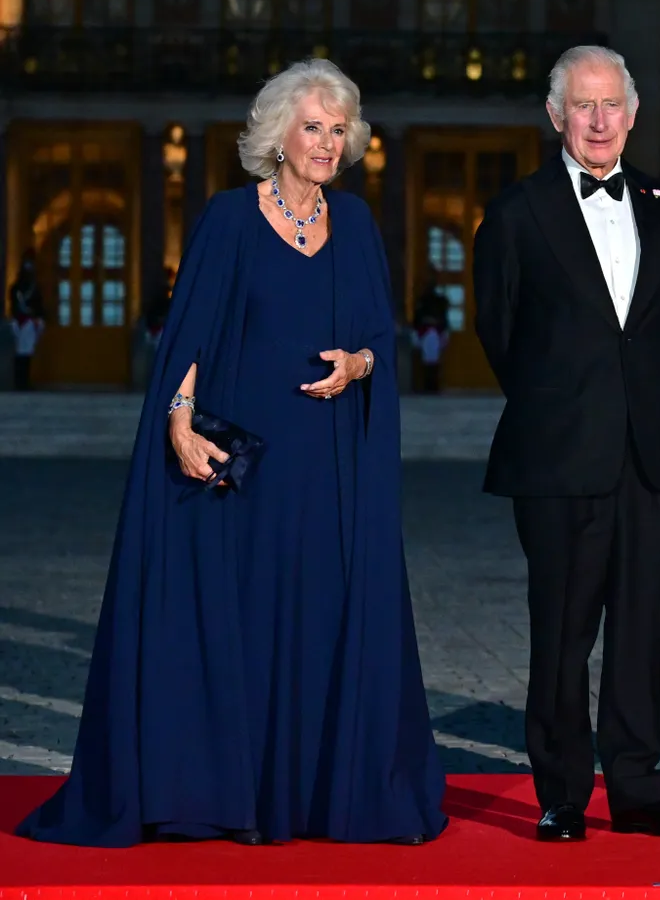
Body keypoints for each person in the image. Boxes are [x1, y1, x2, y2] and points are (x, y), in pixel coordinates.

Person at [16, 58, 446, 849]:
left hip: (328, 467)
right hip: (245, 464)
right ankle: (228, 793)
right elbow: (190, 337)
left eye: (338, 129)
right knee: (241, 621)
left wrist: (359, 366)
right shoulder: (228, 218)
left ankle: (312, 796)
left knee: (318, 618)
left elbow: (378, 340)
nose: (326, 142)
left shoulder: (355, 224)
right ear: (278, 134)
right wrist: (179, 422)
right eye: (312, 127)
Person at [473, 45, 660, 842]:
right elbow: (499, 332)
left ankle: (638, 789)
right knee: (562, 634)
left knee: (643, 631)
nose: (600, 120)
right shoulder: (516, 212)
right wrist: (561, 406)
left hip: (653, 456)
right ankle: (563, 794)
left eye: (612, 105)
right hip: (560, 455)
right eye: (584, 105)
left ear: (633, 114)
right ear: (556, 115)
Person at [9, 249, 45, 391]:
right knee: (20, 353)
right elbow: (14, 304)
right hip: (19, 321)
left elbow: (38, 305)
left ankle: (23, 382)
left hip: (29, 322)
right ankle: (20, 383)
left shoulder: (34, 288)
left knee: (26, 353)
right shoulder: (16, 288)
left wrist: (37, 318)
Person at [413, 271, 450, 393]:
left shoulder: (440, 301)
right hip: (424, 331)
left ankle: (434, 384)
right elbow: (417, 319)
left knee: (433, 353)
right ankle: (426, 384)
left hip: (436, 331)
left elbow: (443, 319)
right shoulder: (421, 301)